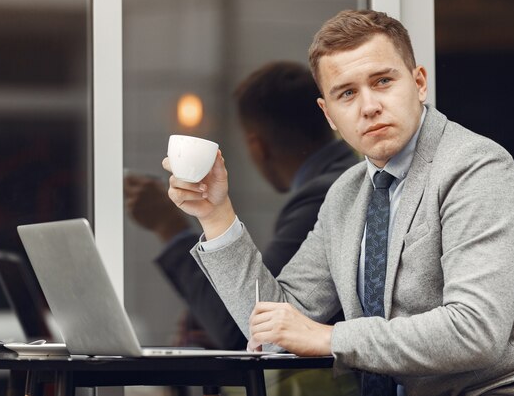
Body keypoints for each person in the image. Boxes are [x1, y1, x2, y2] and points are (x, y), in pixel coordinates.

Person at [162, 9, 514, 396]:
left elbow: (475, 331)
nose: (369, 106)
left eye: (382, 81)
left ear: (418, 83)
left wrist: (329, 338)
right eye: (346, 93)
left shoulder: (477, 170)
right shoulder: (346, 195)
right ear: (329, 115)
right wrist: (216, 215)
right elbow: (275, 329)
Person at [124, 61, 360, 349]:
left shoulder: (326, 195)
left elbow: (247, 329)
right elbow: (266, 324)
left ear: (256, 146)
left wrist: (169, 226)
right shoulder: (342, 185)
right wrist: (213, 215)